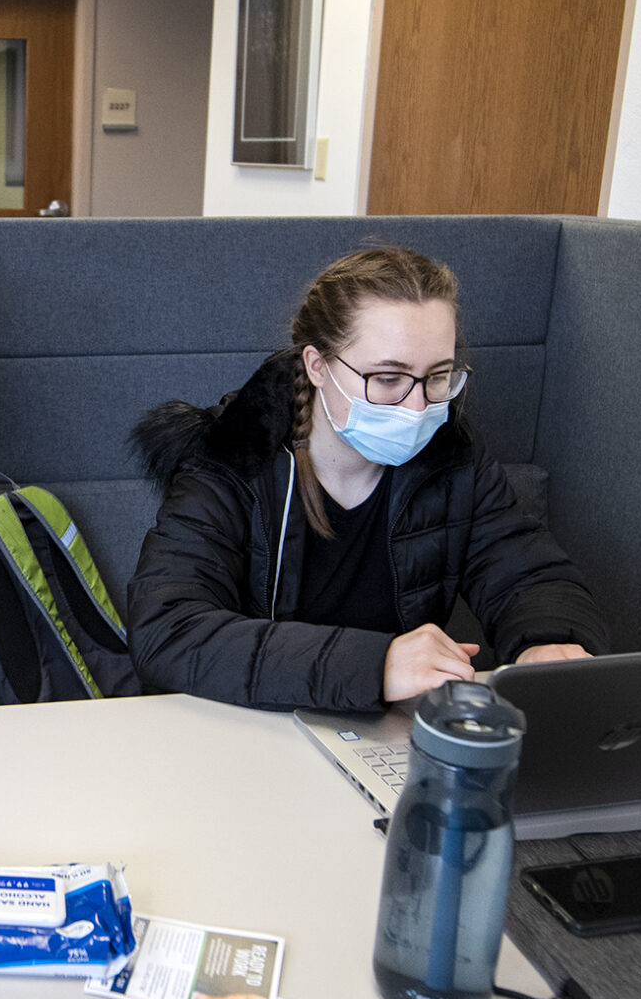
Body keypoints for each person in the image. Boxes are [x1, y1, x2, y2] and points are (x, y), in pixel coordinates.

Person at [127, 245, 608, 713]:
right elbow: (168, 632)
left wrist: (549, 641)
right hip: (248, 731)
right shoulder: (232, 455)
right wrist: (375, 665)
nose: (418, 407)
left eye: (438, 376)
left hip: (384, 735)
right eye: (387, 378)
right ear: (318, 367)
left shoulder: (453, 457)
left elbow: (526, 573)